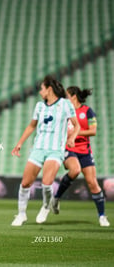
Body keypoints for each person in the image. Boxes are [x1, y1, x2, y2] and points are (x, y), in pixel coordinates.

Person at [11, 75, 80, 226]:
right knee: (25, 183)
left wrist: (72, 138)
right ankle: (21, 214)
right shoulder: (39, 106)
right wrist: (19, 143)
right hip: (38, 148)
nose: (40, 92)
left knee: (47, 183)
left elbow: (77, 125)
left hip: (55, 150)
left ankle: (45, 206)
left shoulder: (65, 104)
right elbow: (31, 126)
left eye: (42, 88)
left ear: (49, 89)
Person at [52, 87, 109, 227]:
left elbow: (93, 131)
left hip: (84, 150)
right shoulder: (64, 113)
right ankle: (57, 198)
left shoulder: (87, 111)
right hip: (69, 148)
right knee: (74, 170)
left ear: (74, 96)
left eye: (66, 96)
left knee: (92, 183)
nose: (64, 99)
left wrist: (75, 132)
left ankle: (102, 216)